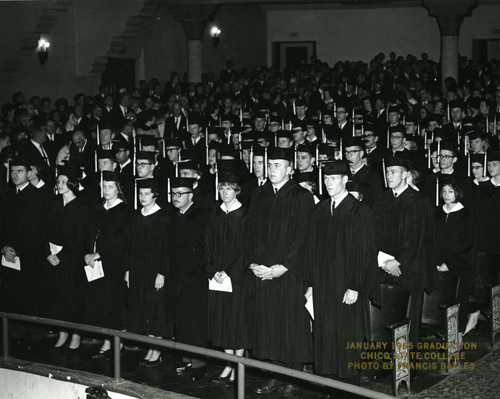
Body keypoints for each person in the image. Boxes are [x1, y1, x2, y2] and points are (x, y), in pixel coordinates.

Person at [248, 147, 314, 398]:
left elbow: (303, 237)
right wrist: (254, 264)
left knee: (289, 325)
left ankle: (293, 377)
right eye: (270, 164)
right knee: (267, 324)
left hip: (289, 273)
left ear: (290, 168)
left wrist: (283, 267)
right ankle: (273, 373)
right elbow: (251, 233)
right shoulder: (259, 194)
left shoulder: (300, 196)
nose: (272, 169)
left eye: (278, 165)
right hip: (263, 272)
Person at [307, 160, 378, 394]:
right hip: (323, 284)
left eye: (334, 179)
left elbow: (364, 252)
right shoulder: (320, 209)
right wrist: (310, 284)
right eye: (326, 179)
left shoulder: (359, 211)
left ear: (345, 180)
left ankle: (349, 387)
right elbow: (313, 249)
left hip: (347, 284)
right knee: (325, 333)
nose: (329, 183)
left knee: (346, 334)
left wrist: (355, 285)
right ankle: (328, 383)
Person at [372, 156, 437, 377]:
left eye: (394, 172)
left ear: (406, 174)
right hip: (384, 267)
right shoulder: (382, 199)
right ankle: (384, 362)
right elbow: (374, 234)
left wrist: (397, 261)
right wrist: (383, 260)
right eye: (387, 172)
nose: (389, 176)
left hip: (409, 269)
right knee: (384, 315)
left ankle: (408, 365)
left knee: (408, 319)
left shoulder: (419, 201)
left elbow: (420, 238)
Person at [205, 171, 252, 383]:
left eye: (229, 189)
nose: (225, 192)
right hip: (217, 278)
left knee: (236, 322)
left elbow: (245, 249)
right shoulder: (215, 214)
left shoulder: (244, 215)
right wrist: (213, 269)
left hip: (236, 279)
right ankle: (227, 363)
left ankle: (236, 366)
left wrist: (229, 272)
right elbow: (207, 246)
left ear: (237, 191)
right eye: (222, 188)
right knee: (222, 322)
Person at [126, 179, 172, 366]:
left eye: (147, 194)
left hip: (155, 271)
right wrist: (128, 271)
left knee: (156, 310)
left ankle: (157, 350)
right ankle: (150, 348)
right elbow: (131, 247)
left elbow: (166, 249)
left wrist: (161, 273)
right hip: (138, 271)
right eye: (140, 194)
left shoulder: (162, 218)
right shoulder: (137, 217)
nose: (143, 197)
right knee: (143, 308)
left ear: (155, 195)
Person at [84, 171, 131, 358]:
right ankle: (106, 340)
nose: (106, 190)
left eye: (110, 187)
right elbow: (89, 234)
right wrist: (87, 253)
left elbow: (121, 241)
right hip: (95, 264)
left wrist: (100, 253)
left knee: (114, 305)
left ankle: (117, 343)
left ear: (118, 189)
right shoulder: (98, 209)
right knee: (101, 303)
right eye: (104, 187)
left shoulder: (124, 211)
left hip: (113, 265)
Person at [45, 164, 89, 349]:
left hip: (72, 259)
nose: (60, 184)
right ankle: (62, 333)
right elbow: (44, 230)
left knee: (73, 298)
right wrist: (48, 253)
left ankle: (76, 335)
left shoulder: (81, 207)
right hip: (53, 257)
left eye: (64, 182)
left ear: (71, 184)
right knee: (58, 298)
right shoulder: (54, 204)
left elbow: (79, 237)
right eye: (58, 181)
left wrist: (61, 255)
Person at [169, 177, 209, 380]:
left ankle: (199, 363)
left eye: (179, 194)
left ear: (190, 195)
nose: (175, 198)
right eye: (173, 194)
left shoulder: (200, 216)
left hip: (195, 278)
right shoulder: (175, 216)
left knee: (195, 321)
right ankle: (186, 358)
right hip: (178, 277)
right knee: (182, 320)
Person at [0, 156, 47, 317]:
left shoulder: (38, 197)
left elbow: (38, 230)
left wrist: (18, 251)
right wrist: (4, 247)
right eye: (12, 171)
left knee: (29, 298)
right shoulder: (7, 196)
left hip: (30, 257)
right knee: (11, 299)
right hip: (8, 256)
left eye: (19, 171)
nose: (15, 175)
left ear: (29, 173)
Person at [435, 176, 475, 335]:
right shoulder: (437, 212)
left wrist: (450, 264)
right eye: (444, 191)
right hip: (437, 265)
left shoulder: (466, 215)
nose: (446, 195)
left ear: (457, 193)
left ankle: (456, 342)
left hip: (458, 268)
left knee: (457, 306)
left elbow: (468, 245)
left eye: (450, 191)